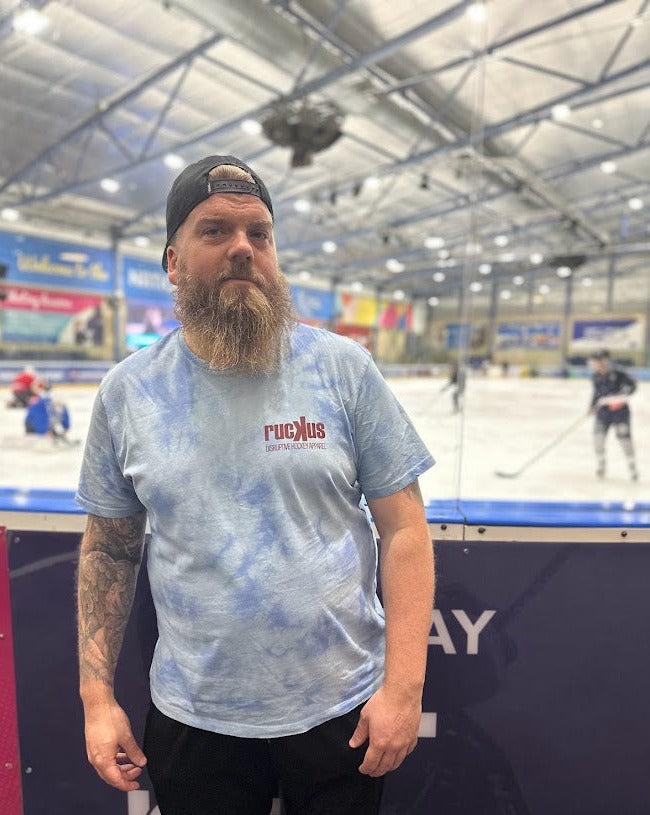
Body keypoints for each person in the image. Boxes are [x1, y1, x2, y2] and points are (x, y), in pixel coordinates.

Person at [75, 155, 435, 815]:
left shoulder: (343, 370)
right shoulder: (129, 392)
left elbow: (406, 526)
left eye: (259, 234)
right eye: (215, 231)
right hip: (195, 718)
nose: (243, 248)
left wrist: (404, 688)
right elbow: (109, 549)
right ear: (173, 262)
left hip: (341, 710)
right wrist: (98, 701)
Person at [588, 349, 638, 480]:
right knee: (598, 438)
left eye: (597, 361)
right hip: (603, 413)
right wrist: (591, 407)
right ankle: (601, 464)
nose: (594, 364)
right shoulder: (596, 377)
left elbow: (632, 386)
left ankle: (632, 466)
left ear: (605, 360)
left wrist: (620, 397)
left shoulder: (619, 373)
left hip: (620, 413)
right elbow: (596, 394)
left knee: (624, 439)